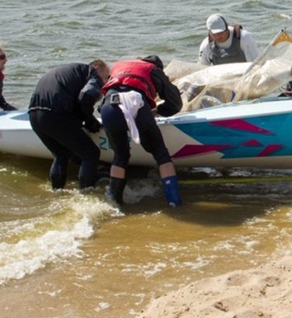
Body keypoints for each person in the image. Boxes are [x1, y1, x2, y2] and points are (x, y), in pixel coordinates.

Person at [99, 55, 184, 207]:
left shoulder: (118, 66)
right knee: (161, 154)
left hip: (109, 107)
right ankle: (174, 202)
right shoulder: (153, 69)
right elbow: (175, 103)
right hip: (136, 102)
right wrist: (157, 111)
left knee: (120, 156)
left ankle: (114, 205)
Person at [28, 60, 110, 190]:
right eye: (106, 77)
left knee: (61, 155)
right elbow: (86, 96)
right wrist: (90, 121)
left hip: (34, 116)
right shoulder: (92, 73)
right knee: (90, 154)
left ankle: (57, 192)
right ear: (96, 67)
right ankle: (86, 195)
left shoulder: (68, 72)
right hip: (56, 114)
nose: (105, 82)